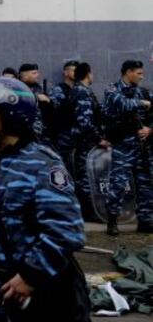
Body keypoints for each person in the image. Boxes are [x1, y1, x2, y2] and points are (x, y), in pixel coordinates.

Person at [0, 74, 88, 322]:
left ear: (11, 117)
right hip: (0, 288)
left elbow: (66, 231)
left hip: (38, 291)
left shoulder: (42, 163)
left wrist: (30, 276)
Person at [101, 59, 153, 235]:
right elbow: (122, 104)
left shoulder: (143, 91)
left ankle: (145, 221)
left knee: (146, 185)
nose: (142, 76)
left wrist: (150, 129)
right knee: (118, 185)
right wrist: (141, 103)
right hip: (122, 147)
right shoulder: (112, 89)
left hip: (142, 147)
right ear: (128, 72)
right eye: (139, 73)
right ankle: (112, 222)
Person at [71, 62, 107, 216]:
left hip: (87, 141)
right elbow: (85, 121)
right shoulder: (81, 91)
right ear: (88, 74)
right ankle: (91, 212)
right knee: (86, 177)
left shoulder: (83, 90)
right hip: (86, 142)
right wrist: (99, 138)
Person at [44, 60, 80, 169]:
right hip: (63, 137)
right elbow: (54, 109)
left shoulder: (80, 90)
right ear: (65, 73)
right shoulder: (58, 90)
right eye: (74, 70)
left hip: (78, 137)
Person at [16, 64, 48, 143]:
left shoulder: (38, 88)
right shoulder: (17, 88)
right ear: (25, 75)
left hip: (39, 130)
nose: (38, 75)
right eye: (34, 73)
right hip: (24, 131)